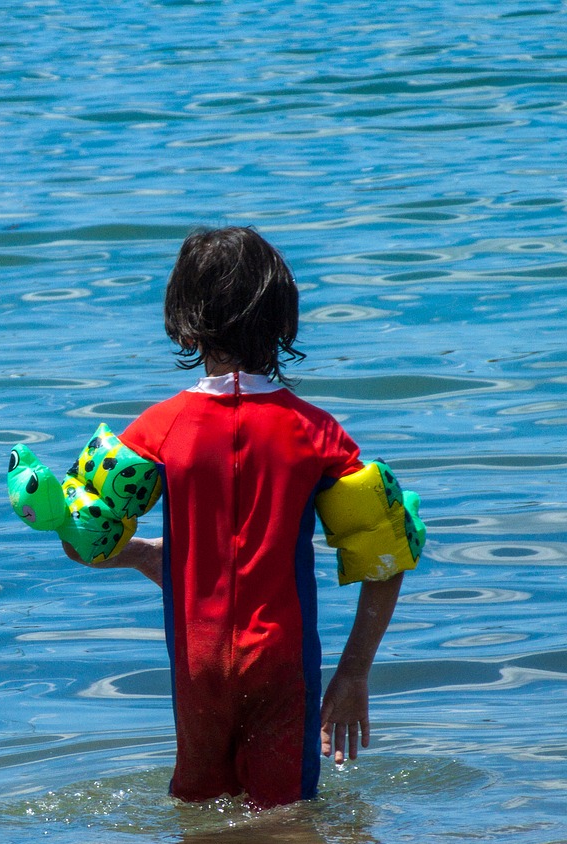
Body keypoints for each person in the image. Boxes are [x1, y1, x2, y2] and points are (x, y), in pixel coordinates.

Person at [64, 226, 409, 809]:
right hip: (282, 660)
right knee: (285, 820)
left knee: (198, 814)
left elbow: (85, 543)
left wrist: (144, 553)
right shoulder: (318, 435)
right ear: (283, 319)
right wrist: (353, 675)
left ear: (185, 320)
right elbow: (389, 556)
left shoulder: (156, 430)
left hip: (197, 666)